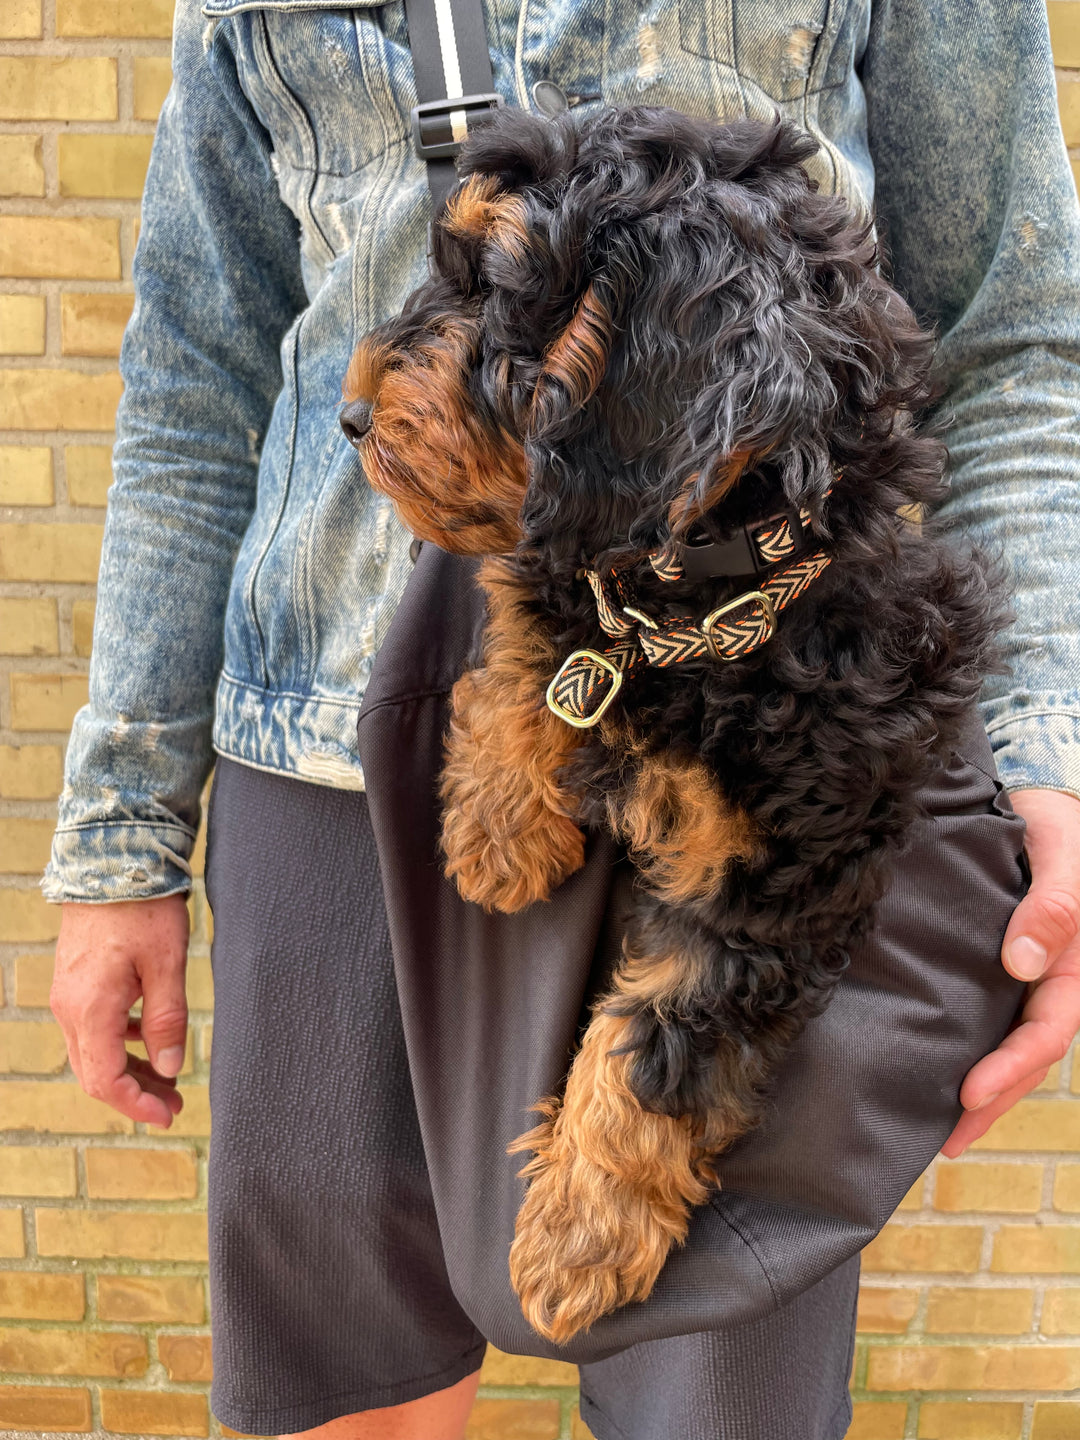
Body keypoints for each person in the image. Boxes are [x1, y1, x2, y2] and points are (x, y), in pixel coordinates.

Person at [44, 1, 1080, 1438]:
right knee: (341, 1379)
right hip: (321, 736)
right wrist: (118, 845)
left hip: (782, 707)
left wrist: (1049, 751)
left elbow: (1012, 342)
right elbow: (195, 375)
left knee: (712, 1383)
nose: (374, 389)